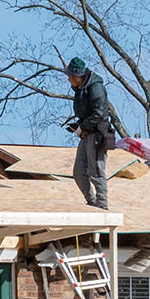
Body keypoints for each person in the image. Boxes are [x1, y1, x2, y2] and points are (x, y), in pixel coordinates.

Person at [63, 57, 111, 209]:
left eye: (70, 76)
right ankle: (92, 203)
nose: (68, 79)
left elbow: (99, 114)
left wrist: (82, 127)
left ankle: (102, 205)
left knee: (96, 170)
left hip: (97, 134)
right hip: (87, 133)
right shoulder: (80, 89)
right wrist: (78, 125)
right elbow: (87, 114)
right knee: (79, 172)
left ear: (78, 76)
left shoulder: (95, 88)